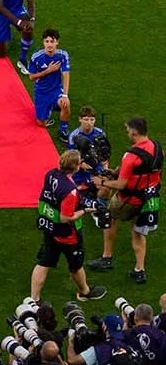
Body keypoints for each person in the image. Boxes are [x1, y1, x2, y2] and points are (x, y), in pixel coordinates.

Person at [34, 150, 110, 302]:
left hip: (50, 226)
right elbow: (66, 218)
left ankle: (34, 299)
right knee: (76, 265)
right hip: (67, 235)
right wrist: (84, 210)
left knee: (44, 262)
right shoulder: (70, 191)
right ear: (75, 166)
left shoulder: (51, 174)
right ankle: (85, 292)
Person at [95, 116, 159, 284]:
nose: (127, 133)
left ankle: (106, 257)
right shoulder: (157, 147)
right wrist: (115, 172)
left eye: (127, 130)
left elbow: (122, 184)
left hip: (129, 198)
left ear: (133, 132)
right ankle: (139, 270)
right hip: (150, 198)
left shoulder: (130, 156)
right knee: (137, 232)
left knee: (109, 217)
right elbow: (144, 170)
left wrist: (103, 181)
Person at [69, 107, 117, 271]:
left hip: (95, 172)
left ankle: (98, 208)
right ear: (80, 119)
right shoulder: (74, 136)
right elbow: (74, 159)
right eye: (86, 119)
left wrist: (103, 171)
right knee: (77, 200)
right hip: (80, 176)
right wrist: (84, 166)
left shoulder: (100, 133)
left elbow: (105, 155)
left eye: (92, 119)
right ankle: (94, 206)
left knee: (106, 187)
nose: (89, 122)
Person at [28, 30, 74, 135]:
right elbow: (31, 77)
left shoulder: (62, 55)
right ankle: (51, 108)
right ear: (43, 42)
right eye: (47, 41)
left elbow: (66, 74)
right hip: (41, 92)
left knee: (66, 104)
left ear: (57, 42)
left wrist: (65, 95)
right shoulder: (36, 57)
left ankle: (63, 131)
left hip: (56, 89)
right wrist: (47, 71)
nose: (49, 44)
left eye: (52, 41)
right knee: (41, 123)